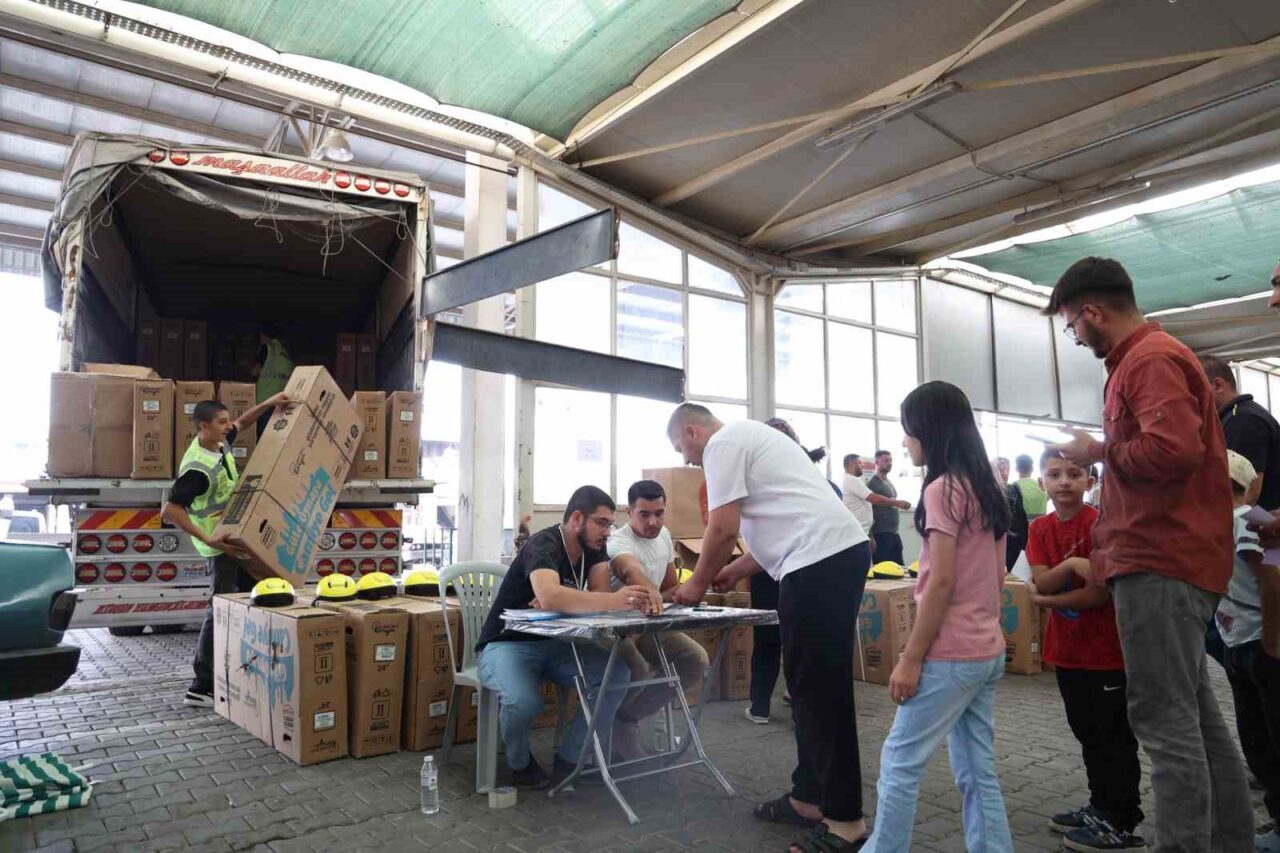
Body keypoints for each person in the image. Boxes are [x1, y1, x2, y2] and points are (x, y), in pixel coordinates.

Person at [1044, 256, 1251, 851]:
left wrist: (1100, 449)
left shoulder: (1149, 359)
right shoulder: (1148, 359)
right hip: (1172, 559)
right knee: (1197, 721)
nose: (1075, 336)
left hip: (1161, 560)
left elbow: (1172, 452)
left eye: (1071, 325)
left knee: (1164, 721)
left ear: (1091, 311)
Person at [667, 404, 871, 852]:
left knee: (820, 691)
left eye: (684, 451)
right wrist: (732, 569)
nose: (689, 461)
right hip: (824, 557)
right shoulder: (756, 440)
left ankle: (845, 822)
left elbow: (722, 528)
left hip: (819, 562)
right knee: (806, 685)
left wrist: (695, 587)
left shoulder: (723, 444)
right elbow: (782, 524)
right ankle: (809, 797)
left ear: (692, 430)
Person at [861, 381, 1013, 853]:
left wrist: (910, 657)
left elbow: (941, 584)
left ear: (930, 430)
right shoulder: (987, 487)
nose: (904, 442)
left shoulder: (944, 489)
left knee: (900, 763)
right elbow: (996, 574)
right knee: (976, 769)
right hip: (986, 649)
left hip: (950, 654)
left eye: (908, 432)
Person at [475, 486, 653, 789]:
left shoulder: (594, 548)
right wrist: (572, 598)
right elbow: (551, 595)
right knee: (522, 702)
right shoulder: (543, 544)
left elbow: (596, 594)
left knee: (615, 676)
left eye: (611, 524)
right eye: (602, 522)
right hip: (508, 643)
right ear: (577, 519)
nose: (608, 532)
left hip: (559, 643)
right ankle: (521, 764)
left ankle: (571, 760)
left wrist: (569, 598)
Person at [1026, 449, 1145, 852]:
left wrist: (1048, 598)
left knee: (1114, 737)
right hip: (1068, 652)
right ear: (1042, 482)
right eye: (1054, 474)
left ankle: (1123, 821)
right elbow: (1041, 581)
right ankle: (1100, 806)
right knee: (1088, 733)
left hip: (1107, 653)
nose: (1064, 481)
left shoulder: (1100, 525)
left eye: (1074, 473)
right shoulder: (1039, 528)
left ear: (1090, 482)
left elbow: (1097, 594)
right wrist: (1075, 566)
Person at [165, 393, 292, 708]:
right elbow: (171, 510)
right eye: (221, 422)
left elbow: (242, 422)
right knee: (220, 610)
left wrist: (270, 402)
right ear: (203, 426)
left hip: (234, 539)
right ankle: (200, 686)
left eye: (226, 421)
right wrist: (208, 540)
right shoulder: (197, 468)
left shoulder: (218, 444)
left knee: (248, 602)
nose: (227, 427)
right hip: (218, 545)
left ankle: (241, 671)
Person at [606, 479, 709, 759]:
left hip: (650, 623)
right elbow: (633, 575)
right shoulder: (619, 543)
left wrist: (690, 589)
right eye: (645, 514)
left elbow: (668, 588)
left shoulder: (664, 536)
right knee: (637, 668)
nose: (653, 522)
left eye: (659, 513)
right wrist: (656, 595)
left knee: (695, 661)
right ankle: (603, 732)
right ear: (629, 513)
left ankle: (626, 718)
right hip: (618, 630)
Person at [1216, 450, 1280, 852]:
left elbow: (1272, 579)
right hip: (1238, 641)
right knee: (1256, 737)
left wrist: (1272, 640)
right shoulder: (1229, 521)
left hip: (1259, 644)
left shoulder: (1244, 522)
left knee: (1267, 738)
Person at [1200, 355, 1280, 511]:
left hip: (1261, 526)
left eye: (1194, 389)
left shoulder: (1242, 420)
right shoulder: (1236, 416)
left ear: (1217, 386)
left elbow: (1247, 490)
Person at [867, 450, 912, 565]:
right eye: (886, 460)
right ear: (877, 462)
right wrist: (871, 535)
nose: (890, 463)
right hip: (880, 534)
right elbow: (868, 509)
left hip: (893, 533)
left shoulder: (888, 481)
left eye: (891, 460)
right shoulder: (873, 483)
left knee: (899, 568)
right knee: (884, 571)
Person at [252, 328, 294, 437]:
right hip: (282, 399)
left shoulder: (266, 349)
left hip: (265, 400)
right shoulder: (286, 352)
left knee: (262, 435)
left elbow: (255, 371)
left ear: (263, 336)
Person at [994, 456, 1029, 570]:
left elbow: (1022, 517)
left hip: (1016, 541)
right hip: (997, 542)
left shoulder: (1014, 489)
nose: (1004, 473)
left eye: (1007, 469)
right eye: (1000, 469)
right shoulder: (986, 493)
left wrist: (1025, 543)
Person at [1013, 454, 1049, 521]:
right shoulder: (1043, 486)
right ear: (1032, 469)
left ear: (1016, 469)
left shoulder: (1013, 487)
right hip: (1043, 528)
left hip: (1022, 529)